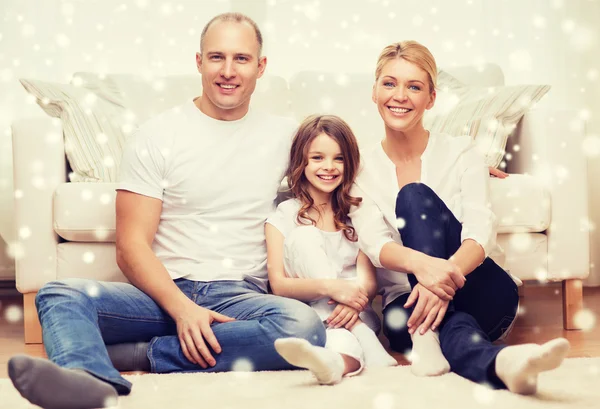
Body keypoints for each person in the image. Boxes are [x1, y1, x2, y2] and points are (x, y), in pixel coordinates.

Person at [8, 13, 328, 409]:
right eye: (216, 57)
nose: (228, 71)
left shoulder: (286, 136)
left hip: (241, 297)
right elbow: (130, 246)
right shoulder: (157, 134)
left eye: (241, 59)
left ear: (261, 67)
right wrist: (183, 310)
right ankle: (84, 383)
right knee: (61, 293)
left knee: (305, 327)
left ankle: (134, 356)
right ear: (198, 62)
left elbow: (339, 189)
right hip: (163, 292)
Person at [348, 40, 570, 394]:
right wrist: (426, 272)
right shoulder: (359, 169)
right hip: (405, 311)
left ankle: (428, 333)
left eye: (414, 86)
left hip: (484, 293)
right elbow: (376, 244)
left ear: (431, 98)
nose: (400, 95)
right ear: (374, 91)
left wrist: (435, 284)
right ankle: (500, 364)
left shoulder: (463, 152)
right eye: (389, 83)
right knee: (454, 328)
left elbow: (480, 232)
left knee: (414, 196)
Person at [264, 115, 397, 385]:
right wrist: (331, 289)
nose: (329, 167)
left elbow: (368, 283)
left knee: (339, 336)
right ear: (301, 163)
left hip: (355, 311)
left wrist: (351, 303)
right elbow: (278, 284)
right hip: (314, 316)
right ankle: (344, 356)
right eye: (317, 158)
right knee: (304, 238)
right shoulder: (285, 214)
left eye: (339, 158)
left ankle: (341, 354)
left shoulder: (356, 215)